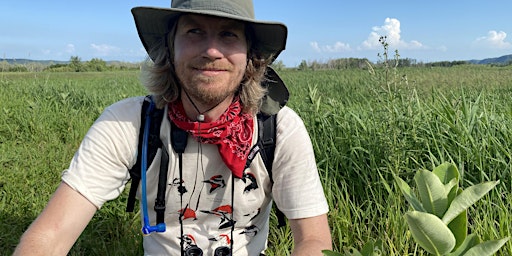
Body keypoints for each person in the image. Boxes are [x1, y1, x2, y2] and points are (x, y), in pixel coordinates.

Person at [14, 0, 332, 255]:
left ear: (251, 56)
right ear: (169, 48)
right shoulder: (128, 123)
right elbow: (51, 234)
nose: (211, 51)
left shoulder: (278, 129)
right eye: (194, 31)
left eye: (229, 34)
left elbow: (314, 239)